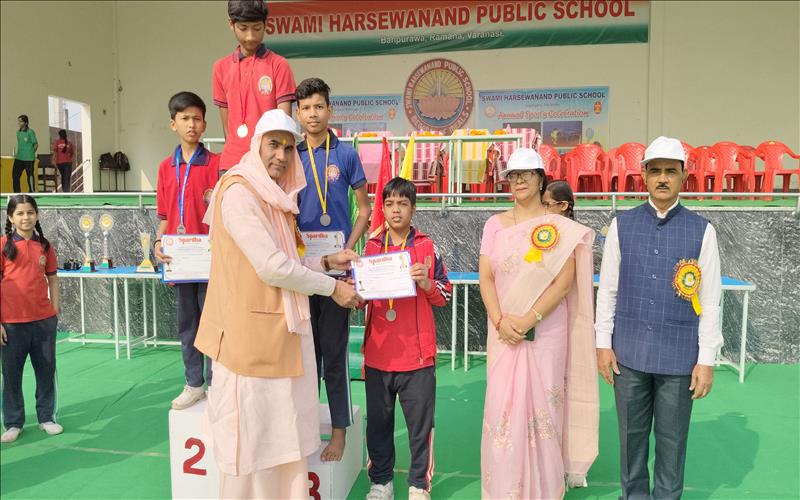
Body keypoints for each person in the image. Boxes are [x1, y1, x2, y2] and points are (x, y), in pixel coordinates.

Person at [194, 109, 361, 498]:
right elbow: (272, 267)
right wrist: (332, 289)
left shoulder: (277, 199)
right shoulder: (239, 193)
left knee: (283, 444)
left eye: (289, 148)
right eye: (274, 145)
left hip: (280, 341)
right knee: (252, 449)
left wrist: (327, 261)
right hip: (248, 346)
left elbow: (291, 260)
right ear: (257, 145)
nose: (282, 156)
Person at [595, 136, 722, 500]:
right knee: (630, 441)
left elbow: (710, 300)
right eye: (655, 171)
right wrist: (603, 343)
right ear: (644, 176)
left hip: (679, 358)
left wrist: (706, 359)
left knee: (672, 442)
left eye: (670, 171)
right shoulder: (621, 225)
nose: (663, 178)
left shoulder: (702, 230)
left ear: (684, 176)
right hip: (628, 355)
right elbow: (608, 289)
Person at [479, 148, 599, 499]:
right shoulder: (494, 225)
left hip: (547, 330)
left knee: (546, 408)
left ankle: (545, 490)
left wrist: (529, 318)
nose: (518, 181)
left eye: (526, 175)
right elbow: (486, 277)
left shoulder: (558, 227)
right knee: (502, 408)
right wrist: (500, 321)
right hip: (503, 331)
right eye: (513, 175)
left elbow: (563, 282)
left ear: (540, 179)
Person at [295, 77, 371, 462]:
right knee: (305, 356)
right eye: (306, 108)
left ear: (330, 109)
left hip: (337, 270)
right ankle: (306, 427)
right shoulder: (291, 155)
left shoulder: (346, 154)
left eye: (319, 106)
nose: (313, 114)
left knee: (335, 353)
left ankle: (339, 430)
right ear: (298, 113)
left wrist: (349, 247)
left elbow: (365, 209)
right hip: (301, 269)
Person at [360, 177, 451, 500]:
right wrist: (357, 291)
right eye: (389, 204)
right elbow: (360, 297)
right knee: (378, 424)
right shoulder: (371, 247)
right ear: (383, 209)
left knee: (419, 428)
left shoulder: (427, 247)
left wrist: (427, 283)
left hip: (417, 356)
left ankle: (418, 485)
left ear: (413, 208)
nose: (395, 210)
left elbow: (444, 295)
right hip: (378, 354)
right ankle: (381, 482)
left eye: (402, 203)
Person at [153, 92, 221, 410]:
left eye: (197, 119)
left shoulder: (217, 164)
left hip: (211, 261)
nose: (191, 124)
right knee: (188, 325)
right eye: (185, 118)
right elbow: (165, 217)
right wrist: (157, 243)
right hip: (180, 262)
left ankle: (218, 383)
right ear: (173, 124)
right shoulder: (165, 167)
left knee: (215, 323)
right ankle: (194, 384)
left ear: (205, 124)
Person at [1, 195, 62, 443]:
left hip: (43, 322)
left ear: (37, 215)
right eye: (20, 213)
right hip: (11, 325)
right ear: (10, 217)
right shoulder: (3, 245)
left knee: (46, 372)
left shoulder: (45, 246)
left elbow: (53, 279)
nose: (25, 217)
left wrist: (54, 311)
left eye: (30, 212)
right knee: (11, 375)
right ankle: (14, 422)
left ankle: (47, 417)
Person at [213, 0, 297, 170]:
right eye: (243, 28)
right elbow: (227, 127)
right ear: (231, 24)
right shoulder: (220, 68)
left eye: (257, 28)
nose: (250, 36)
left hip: (267, 164)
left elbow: (283, 123)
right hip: (232, 164)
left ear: (266, 25)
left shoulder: (279, 65)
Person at [13, 115, 38, 192]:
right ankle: (17, 193)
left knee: (30, 176)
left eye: (21, 121)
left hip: (29, 159)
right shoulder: (18, 133)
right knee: (15, 175)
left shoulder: (30, 132)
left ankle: (32, 192)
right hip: (19, 158)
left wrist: (31, 153)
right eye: (18, 121)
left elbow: (36, 144)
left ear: (26, 123)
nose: (19, 123)